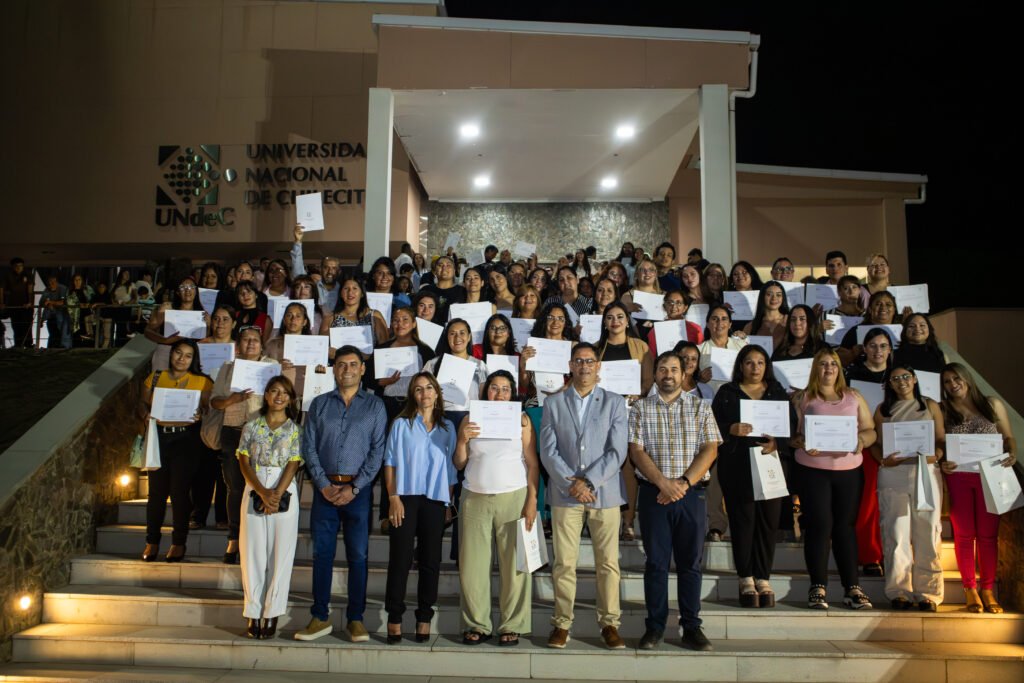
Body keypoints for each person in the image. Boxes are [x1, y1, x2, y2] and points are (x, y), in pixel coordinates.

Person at [629, 351, 722, 651]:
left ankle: (691, 626)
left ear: (684, 374)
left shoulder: (701, 407)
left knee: (690, 564)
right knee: (656, 564)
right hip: (654, 495)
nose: (668, 374)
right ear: (655, 374)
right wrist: (663, 483)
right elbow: (636, 451)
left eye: (673, 369)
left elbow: (710, 449)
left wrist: (682, 483)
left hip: (691, 495)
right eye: (662, 369)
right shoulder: (640, 408)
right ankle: (655, 627)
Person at [296, 346, 387, 642]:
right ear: (334, 369)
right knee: (322, 554)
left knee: (358, 556)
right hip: (324, 490)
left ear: (363, 369)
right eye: (341, 364)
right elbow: (308, 447)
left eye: (353, 364)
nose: (347, 369)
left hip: (358, 493)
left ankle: (355, 619)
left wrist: (354, 487)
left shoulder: (375, 407)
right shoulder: (319, 404)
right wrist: (323, 484)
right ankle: (319, 616)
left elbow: (377, 451)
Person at [540, 343, 627, 649]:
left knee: (608, 563)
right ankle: (562, 623)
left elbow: (618, 451)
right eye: (579, 361)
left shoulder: (615, 402)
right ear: (571, 365)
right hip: (565, 495)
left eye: (590, 361)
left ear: (598, 366)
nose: (585, 366)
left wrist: (588, 481)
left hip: (605, 493)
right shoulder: (553, 403)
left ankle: (610, 623)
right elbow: (547, 451)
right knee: (564, 563)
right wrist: (572, 484)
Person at [454, 370, 540, 646]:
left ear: (512, 393)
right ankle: (476, 624)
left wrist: (532, 500)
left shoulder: (522, 420)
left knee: (515, 566)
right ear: (485, 391)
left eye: (505, 388)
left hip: (513, 497)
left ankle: (511, 625)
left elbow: (533, 464)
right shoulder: (470, 419)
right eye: (494, 387)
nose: (499, 393)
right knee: (472, 566)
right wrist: (462, 440)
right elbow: (459, 463)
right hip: (474, 497)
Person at [791, 348, 877, 610]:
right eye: (823, 364)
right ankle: (818, 586)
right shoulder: (803, 397)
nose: (828, 368)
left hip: (849, 471)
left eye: (833, 364)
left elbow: (870, 430)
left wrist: (862, 441)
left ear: (839, 368)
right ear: (815, 368)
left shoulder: (854, 396)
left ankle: (852, 587)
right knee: (819, 524)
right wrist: (802, 442)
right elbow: (792, 436)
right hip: (813, 470)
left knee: (845, 527)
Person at [712, 345, 797, 608]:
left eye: (760, 362)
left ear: (766, 366)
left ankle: (763, 577)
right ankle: (745, 577)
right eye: (749, 362)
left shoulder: (777, 392)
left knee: (768, 523)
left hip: (771, 464)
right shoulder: (727, 393)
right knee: (743, 521)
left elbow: (791, 426)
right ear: (741, 365)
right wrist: (730, 429)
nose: (755, 367)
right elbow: (711, 425)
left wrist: (778, 444)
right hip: (737, 465)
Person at [382, 373, 456, 644]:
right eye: (418, 389)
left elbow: (450, 470)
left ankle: (424, 616)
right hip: (405, 498)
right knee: (400, 560)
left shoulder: (448, 428)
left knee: (430, 562)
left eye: (429, 388)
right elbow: (390, 462)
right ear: (413, 395)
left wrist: (448, 503)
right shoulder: (401, 424)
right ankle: (394, 617)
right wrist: (393, 497)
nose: (424, 393)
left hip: (436, 500)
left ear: (437, 393)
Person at [939, 363, 1017, 614]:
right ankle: (969, 589)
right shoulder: (943, 409)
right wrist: (942, 461)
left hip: (990, 476)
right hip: (959, 476)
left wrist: (1012, 452)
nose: (953, 384)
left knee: (988, 535)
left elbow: (1008, 436)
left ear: (967, 378)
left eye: (956, 378)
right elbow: (938, 442)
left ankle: (987, 589)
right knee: (964, 534)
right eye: (947, 381)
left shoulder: (992, 404)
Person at [871, 365, 945, 611]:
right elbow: (875, 444)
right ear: (889, 384)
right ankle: (898, 591)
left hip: (926, 473)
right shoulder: (882, 410)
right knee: (896, 532)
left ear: (914, 379)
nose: (901, 381)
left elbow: (941, 439)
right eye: (895, 378)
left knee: (928, 532)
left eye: (905, 377)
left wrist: (937, 455)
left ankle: (929, 593)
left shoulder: (930, 405)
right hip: (894, 475)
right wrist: (883, 460)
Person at [237, 375, 303, 639]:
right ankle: (253, 611)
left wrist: (275, 494)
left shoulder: (295, 429)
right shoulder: (252, 426)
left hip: (284, 488)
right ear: (266, 395)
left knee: (281, 555)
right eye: (274, 391)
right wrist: (261, 491)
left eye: (284, 392)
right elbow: (243, 460)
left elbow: (294, 462)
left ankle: (273, 611)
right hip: (255, 486)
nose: (279, 396)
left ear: (290, 398)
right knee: (251, 552)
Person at [210, 327, 279, 562]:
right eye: (246, 340)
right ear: (238, 346)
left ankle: (258, 541)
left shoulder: (271, 366)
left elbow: (283, 398)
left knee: (261, 485)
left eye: (255, 340)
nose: (251, 344)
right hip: (233, 432)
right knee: (235, 487)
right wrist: (232, 399)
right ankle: (234, 539)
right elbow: (215, 402)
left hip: (261, 433)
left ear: (262, 344)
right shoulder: (228, 368)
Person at [140, 339, 213, 563]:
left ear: (194, 359)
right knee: (156, 493)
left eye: (188, 355)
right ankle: (152, 541)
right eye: (178, 353)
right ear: (171, 354)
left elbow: (208, 409)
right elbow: (142, 404)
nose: (182, 359)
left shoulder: (203, 381)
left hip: (186, 439)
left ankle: (178, 542)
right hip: (159, 438)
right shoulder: (155, 377)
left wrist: (201, 413)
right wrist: (145, 415)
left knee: (179, 492)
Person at [844, 327, 894, 577]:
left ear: (890, 349)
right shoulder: (852, 375)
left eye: (883, 345)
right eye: (872, 345)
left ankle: (892, 555)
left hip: (894, 444)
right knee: (867, 503)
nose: (878, 350)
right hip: (864, 445)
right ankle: (870, 554)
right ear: (864, 349)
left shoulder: (898, 375)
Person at [321, 277, 389, 353]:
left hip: (369, 360)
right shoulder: (330, 318)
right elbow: (321, 347)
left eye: (355, 288)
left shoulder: (374, 316)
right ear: (340, 293)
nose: (350, 292)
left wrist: (369, 356)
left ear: (362, 293)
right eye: (346, 288)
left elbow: (385, 348)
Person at [290, 225, 341, 313]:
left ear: (339, 272)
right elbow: (298, 272)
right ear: (320, 269)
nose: (330, 271)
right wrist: (298, 242)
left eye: (334, 268)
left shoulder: (343, 290)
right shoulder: (312, 286)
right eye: (326, 267)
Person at [145, 277, 209, 345]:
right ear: (177, 292)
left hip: (192, 350)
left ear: (196, 291)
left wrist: (208, 326)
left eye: (191, 286)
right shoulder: (167, 308)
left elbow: (204, 340)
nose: (187, 290)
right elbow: (148, 331)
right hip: (168, 348)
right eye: (183, 287)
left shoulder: (202, 313)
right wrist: (166, 340)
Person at [645, 290, 703, 357]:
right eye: (670, 302)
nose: (674, 306)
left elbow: (699, 354)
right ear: (664, 306)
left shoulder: (695, 328)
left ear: (685, 307)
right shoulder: (655, 331)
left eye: (679, 303)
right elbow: (652, 357)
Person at [743, 281, 790, 350]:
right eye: (769, 294)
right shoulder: (750, 326)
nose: (774, 298)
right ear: (762, 297)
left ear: (783, 298)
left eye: (778, 295)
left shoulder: (790, 321)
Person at [420, 255, 465, 320]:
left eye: (448, 265)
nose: (444, 268)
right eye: (440, 265)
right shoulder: (425, 290)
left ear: (454, 271)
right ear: (435, 271)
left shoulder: (462, 291)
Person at [1, 258, 34, 347]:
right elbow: (1, 289)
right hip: (14, 306)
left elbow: (30, 289)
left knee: (26, 326)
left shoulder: (27, 274)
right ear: (12, 267)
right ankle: (18, 345)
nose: (18, 268)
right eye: (16, 266)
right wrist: (2, 302)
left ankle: (28, 345)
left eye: (20, 266)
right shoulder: (8, 275)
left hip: (25, 307)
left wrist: (30, 302)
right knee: (16, 327)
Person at [38, 274, 71, 349]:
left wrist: (51, 302)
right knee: (52, 333)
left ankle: (60, 347)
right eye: (50, 281)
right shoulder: (47, 290)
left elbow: (63, 302)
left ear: (57, 281)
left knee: (60, 333)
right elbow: (41, 302)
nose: (52, 283)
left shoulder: (63, 288)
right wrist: (47, 304)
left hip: (62, 316)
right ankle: (51, 348)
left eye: (54, 281)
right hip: (50, 316)